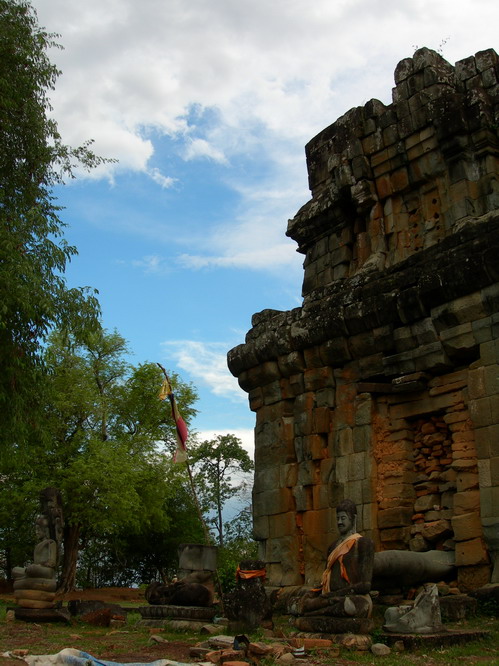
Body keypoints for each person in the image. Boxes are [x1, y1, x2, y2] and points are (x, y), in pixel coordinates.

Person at [299, 499, 374, 618]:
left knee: (354, 606)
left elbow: (365, 586)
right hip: (330, 598)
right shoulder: (332, 547)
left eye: (343, 518)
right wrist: (314, 593)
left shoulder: (364, 543)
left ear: (353, 519)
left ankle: (314, 615)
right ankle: (316, 613)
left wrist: (335, 594)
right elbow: (325, 580)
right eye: (337, 518)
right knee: (303, 602)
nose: (339, 522)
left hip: (351, 598)